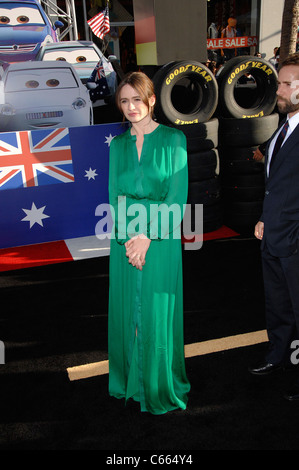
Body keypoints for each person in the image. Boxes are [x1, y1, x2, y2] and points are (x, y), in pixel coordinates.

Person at [108, 71, 190, 414]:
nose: (130, 107)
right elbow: (114, 197)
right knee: (127, 310)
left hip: (161, 238)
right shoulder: (117, 145)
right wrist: (130, 239)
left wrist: (147, 236)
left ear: (152, 100)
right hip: (125, 241)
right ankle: (128, 379)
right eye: (124, 101)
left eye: (136, 100)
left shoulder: (174, 140)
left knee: (156, 312)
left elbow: (177, 197)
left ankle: (158, 383)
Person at [250, 53, 299, 401]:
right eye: (279, 82)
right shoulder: (284, 127)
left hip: (295, 242)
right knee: (278, 306)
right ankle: (278, 356)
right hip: (274, 237)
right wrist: (266, 218)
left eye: (286, 84)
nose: (278, 89)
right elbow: (278, 183)